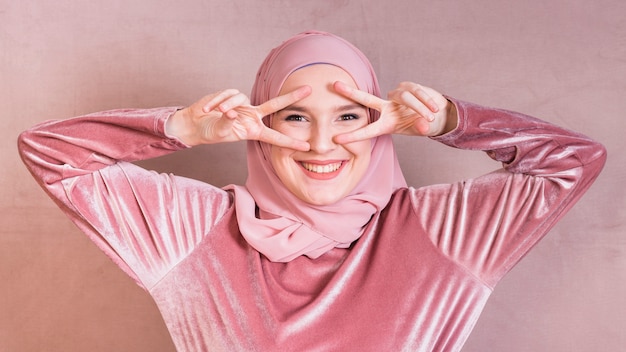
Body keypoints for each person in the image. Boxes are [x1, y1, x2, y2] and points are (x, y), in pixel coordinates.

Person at [18, 30, 606, 351]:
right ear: (261, 126)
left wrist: (453, 121)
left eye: (350, 117)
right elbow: (51, 155)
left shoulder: (442, 232)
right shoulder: (194, 229)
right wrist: (183, 128)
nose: (321, 144)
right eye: (294, 117)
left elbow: (575, 163)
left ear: (384, 124)